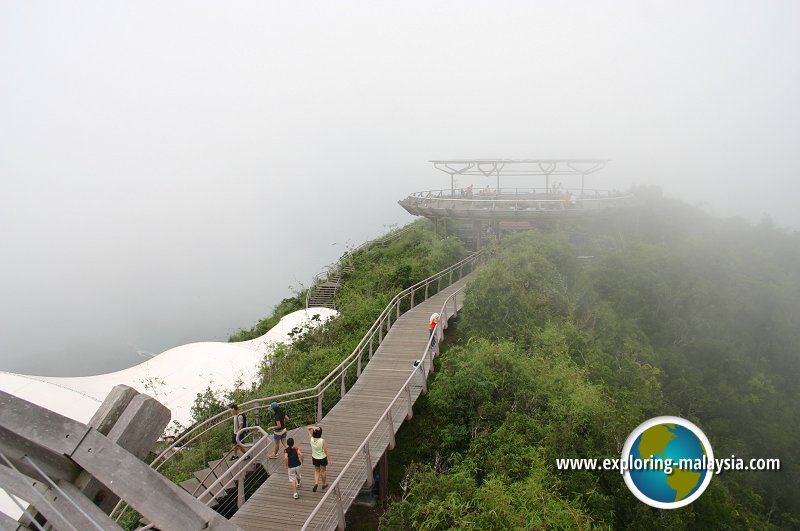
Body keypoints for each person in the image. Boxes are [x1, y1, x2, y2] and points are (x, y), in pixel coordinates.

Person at [306, 426, 332, 492]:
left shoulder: (311, 439)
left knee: (317, 471)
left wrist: (313, 427)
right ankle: (324, 484)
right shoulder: (322, 441)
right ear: (321, 433)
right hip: (322, 458)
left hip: (315, 457)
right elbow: (325, 451)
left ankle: (316, 483)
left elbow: (308, 429)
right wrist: (330, 459)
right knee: (323, 471)